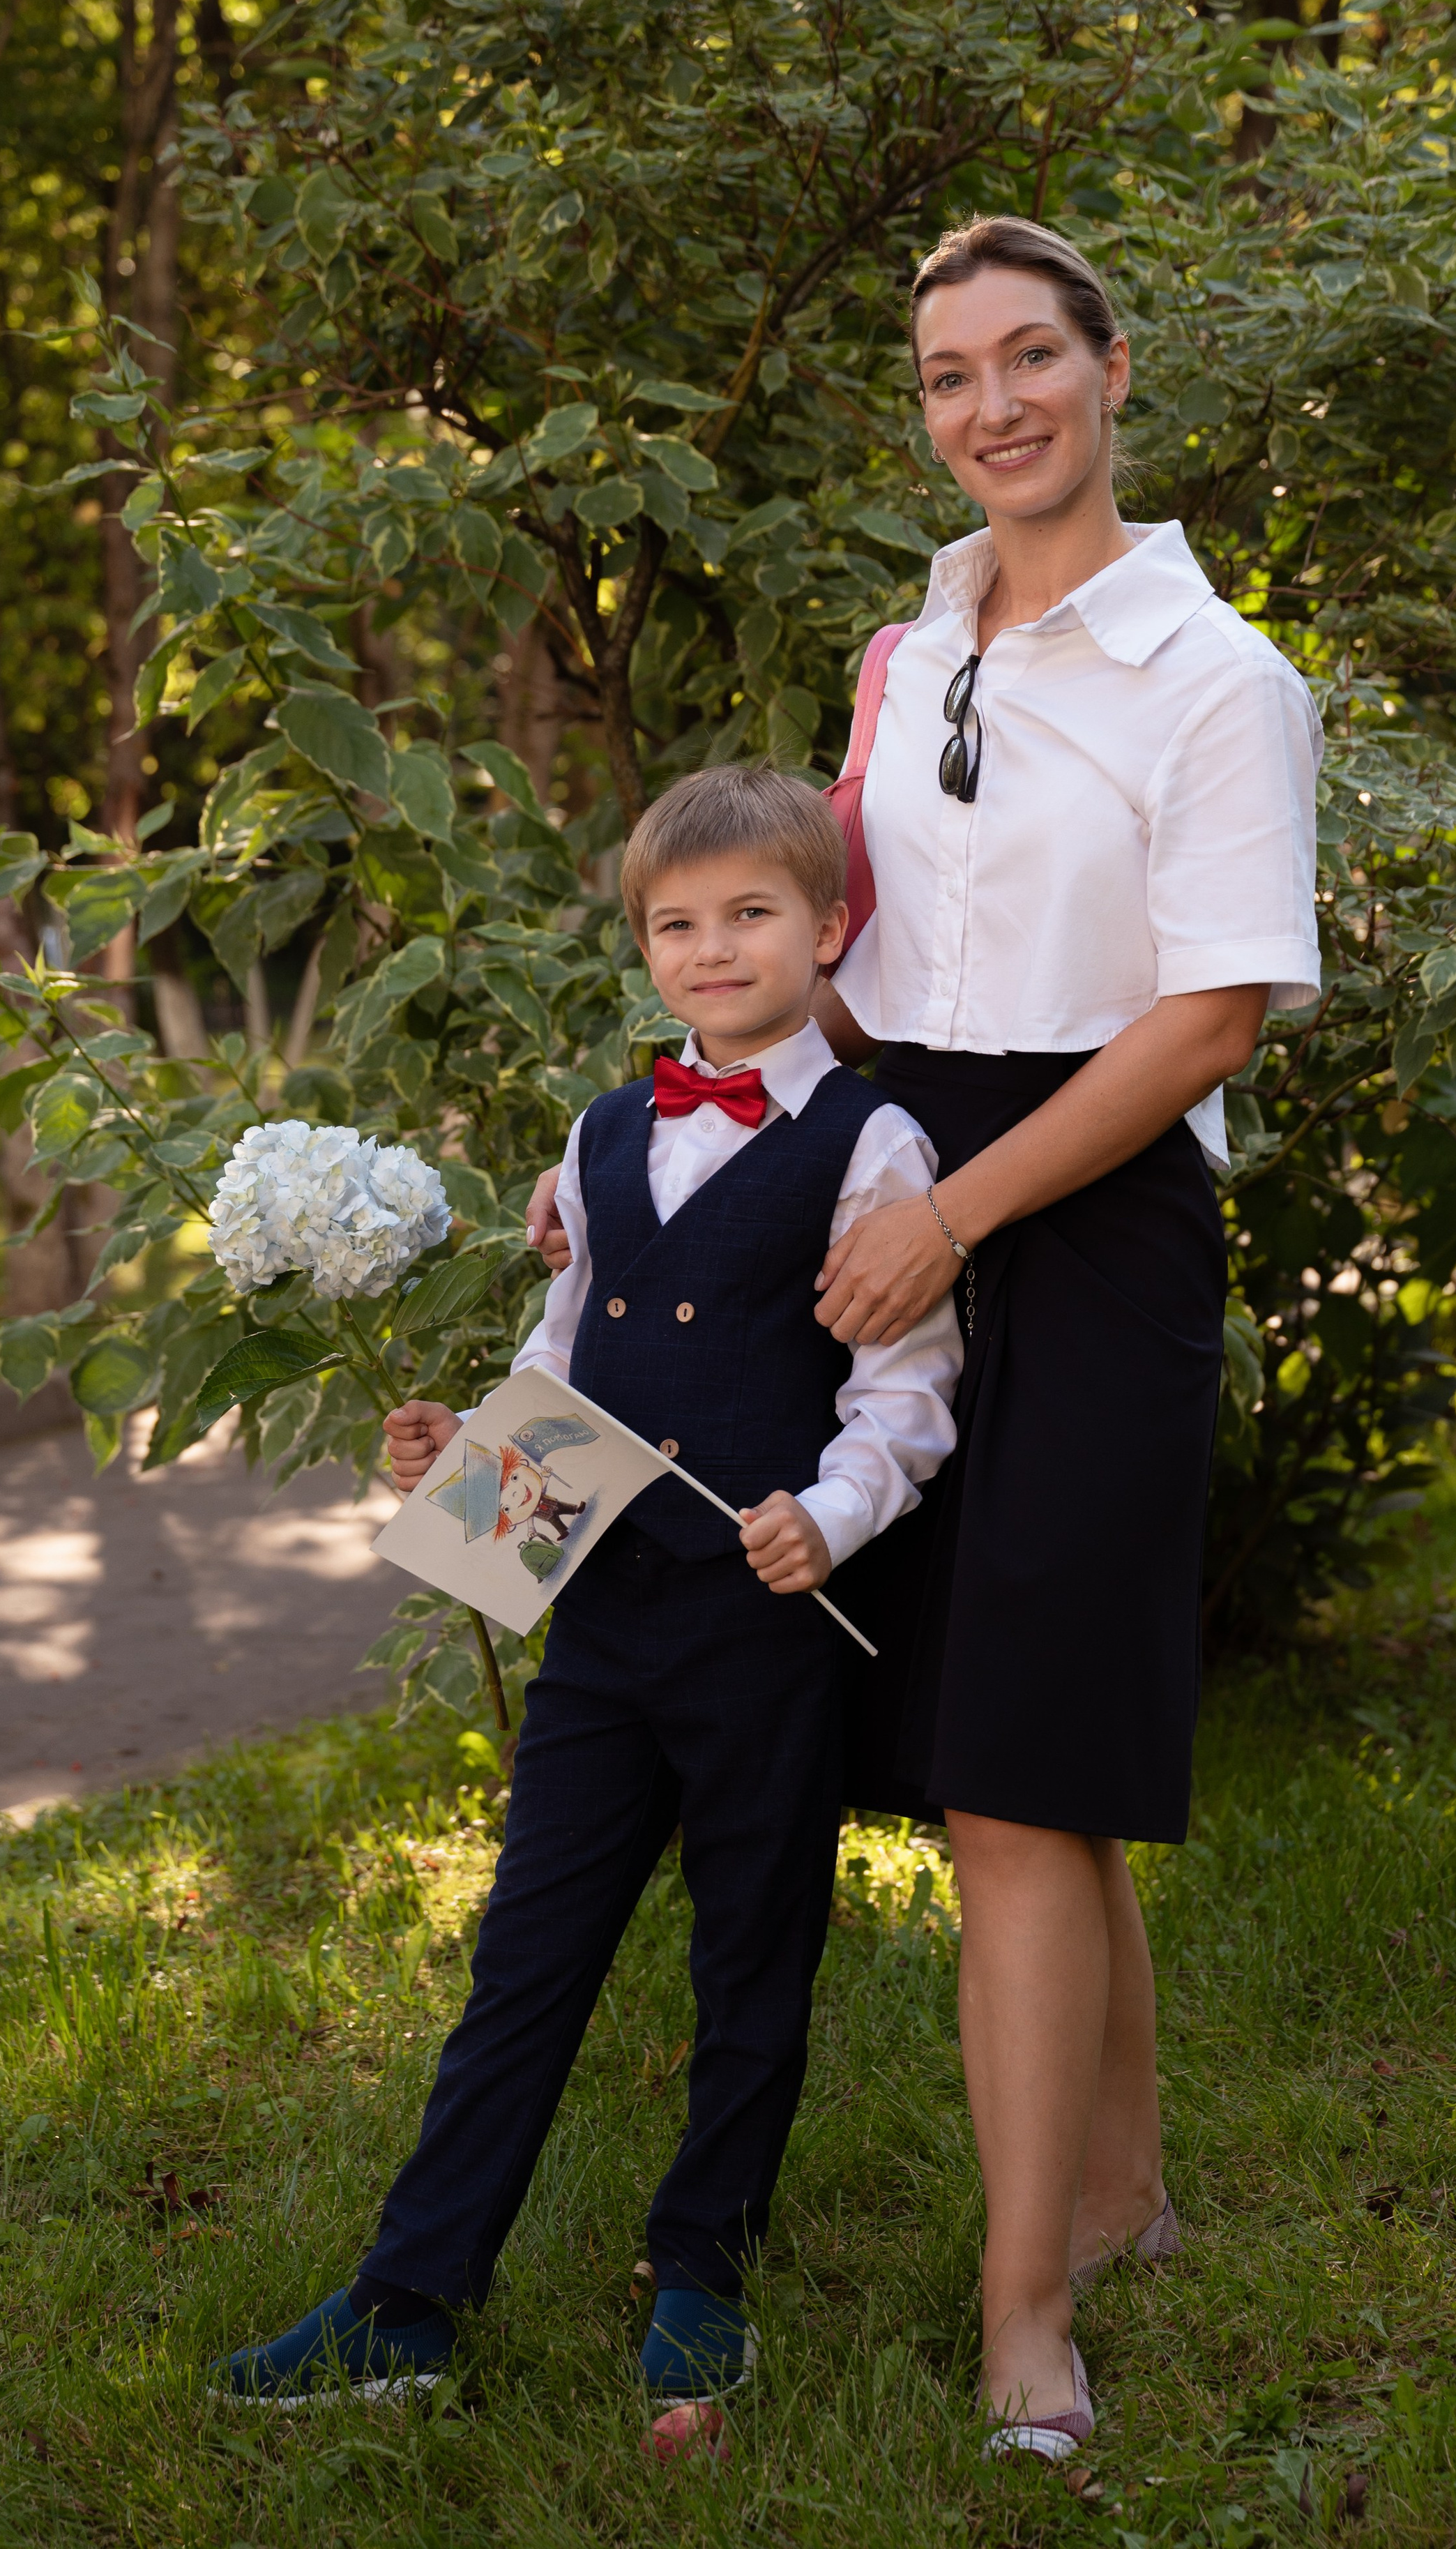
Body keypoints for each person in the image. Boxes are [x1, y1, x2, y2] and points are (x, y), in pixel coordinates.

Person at [529, 216, 1320, 2463]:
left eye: (1033, 358)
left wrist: (955, 1216)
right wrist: (672, 1164)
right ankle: (1126, 2187)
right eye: (953, 372)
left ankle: (1024, 2310)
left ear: (1111, 368)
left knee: (1010, 1778)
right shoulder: (907, 651)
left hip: (1085, 1216)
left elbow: (1214, 1011)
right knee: (1023, 1769)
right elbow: (836, 965)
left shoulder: (1212, 672)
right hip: (889, 1179)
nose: (995, 404)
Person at [211, 767, 961, 2434]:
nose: (711, 950)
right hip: (604, 1630)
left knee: (752, 1953)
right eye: (675, 924)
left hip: (763, 1627)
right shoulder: (603, 1132)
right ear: (641, 944)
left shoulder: (870, 1141)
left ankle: (702, 2268)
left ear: (827, 929)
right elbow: (568, 1367)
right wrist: (458, 1454)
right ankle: (409, 2298)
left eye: (750, 915)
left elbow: (902, 1390)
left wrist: (828, 1521)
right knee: (524, 1954)